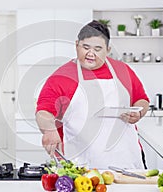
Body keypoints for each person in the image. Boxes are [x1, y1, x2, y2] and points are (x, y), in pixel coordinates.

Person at [35, 20, 150, 169]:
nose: (91, 54)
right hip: (83, 166)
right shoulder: (61, 77)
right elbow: (43, 112)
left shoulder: (123, 70)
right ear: (77, 45)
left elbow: (142, 100)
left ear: (107, 50)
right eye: (86, 47)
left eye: (97, 48)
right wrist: (49, 129)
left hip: (127, 161)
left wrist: (139, 112)